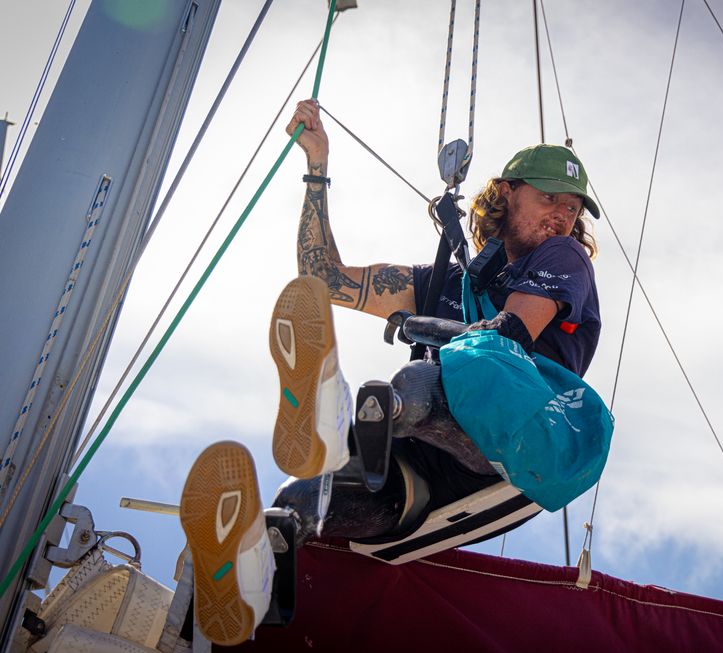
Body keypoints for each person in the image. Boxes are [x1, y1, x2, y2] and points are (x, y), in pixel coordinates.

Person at [178, 99, 606, 645]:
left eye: (572, 209)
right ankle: (251, 585)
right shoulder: (444, 283)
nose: (562, 218)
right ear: (506, 193)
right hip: (435, 470)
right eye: (549, 199)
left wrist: (424, 328)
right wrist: (317, 164)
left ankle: (341, 414)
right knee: (301, 498)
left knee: (420, 382)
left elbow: (509, 334)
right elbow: (323, 277)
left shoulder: (564, 257)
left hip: (522, 438)